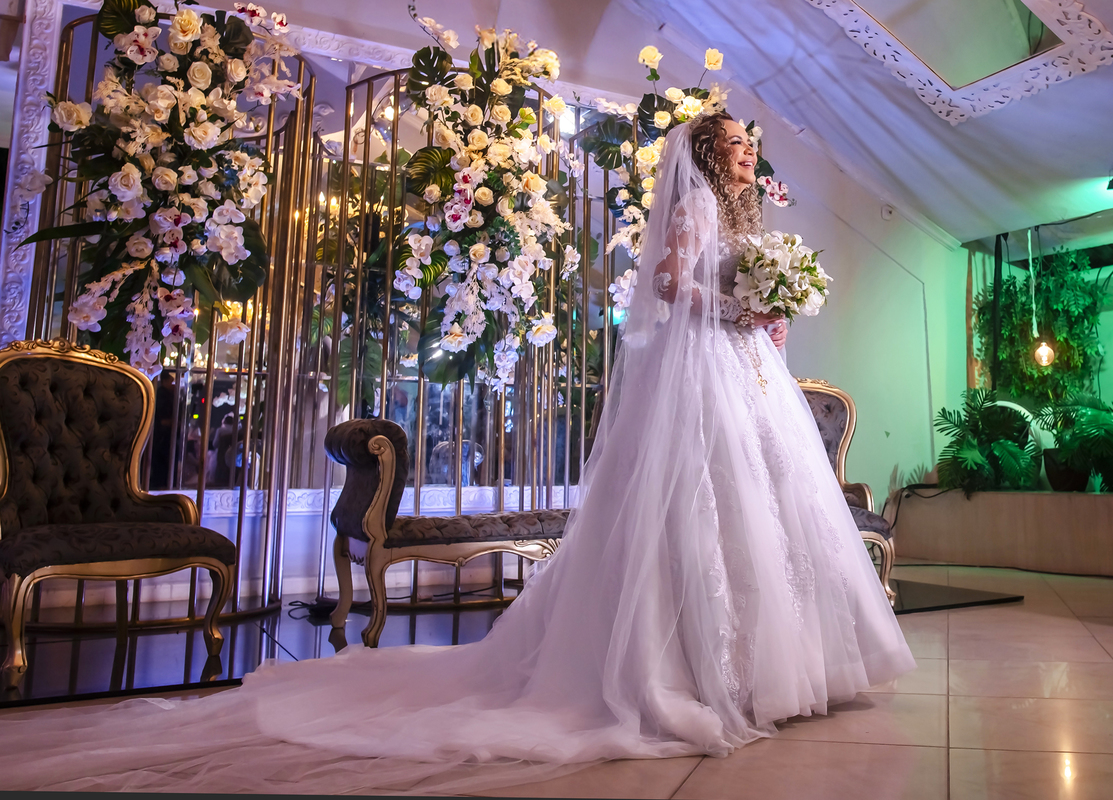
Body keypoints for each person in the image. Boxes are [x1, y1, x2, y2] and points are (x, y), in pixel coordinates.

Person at [0, 115, 914, 794]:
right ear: (709, 155)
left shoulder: (739, 213)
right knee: (708, 506)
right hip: (706, 372)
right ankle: (705, 668)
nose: (749, 153)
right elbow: (673, 284)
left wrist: (766, 311)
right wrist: (737, 303)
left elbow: (729, 292)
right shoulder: (696, 206)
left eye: (750, 145)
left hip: (745, 369)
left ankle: (782, 665)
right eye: (738, 145)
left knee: (768, 505)